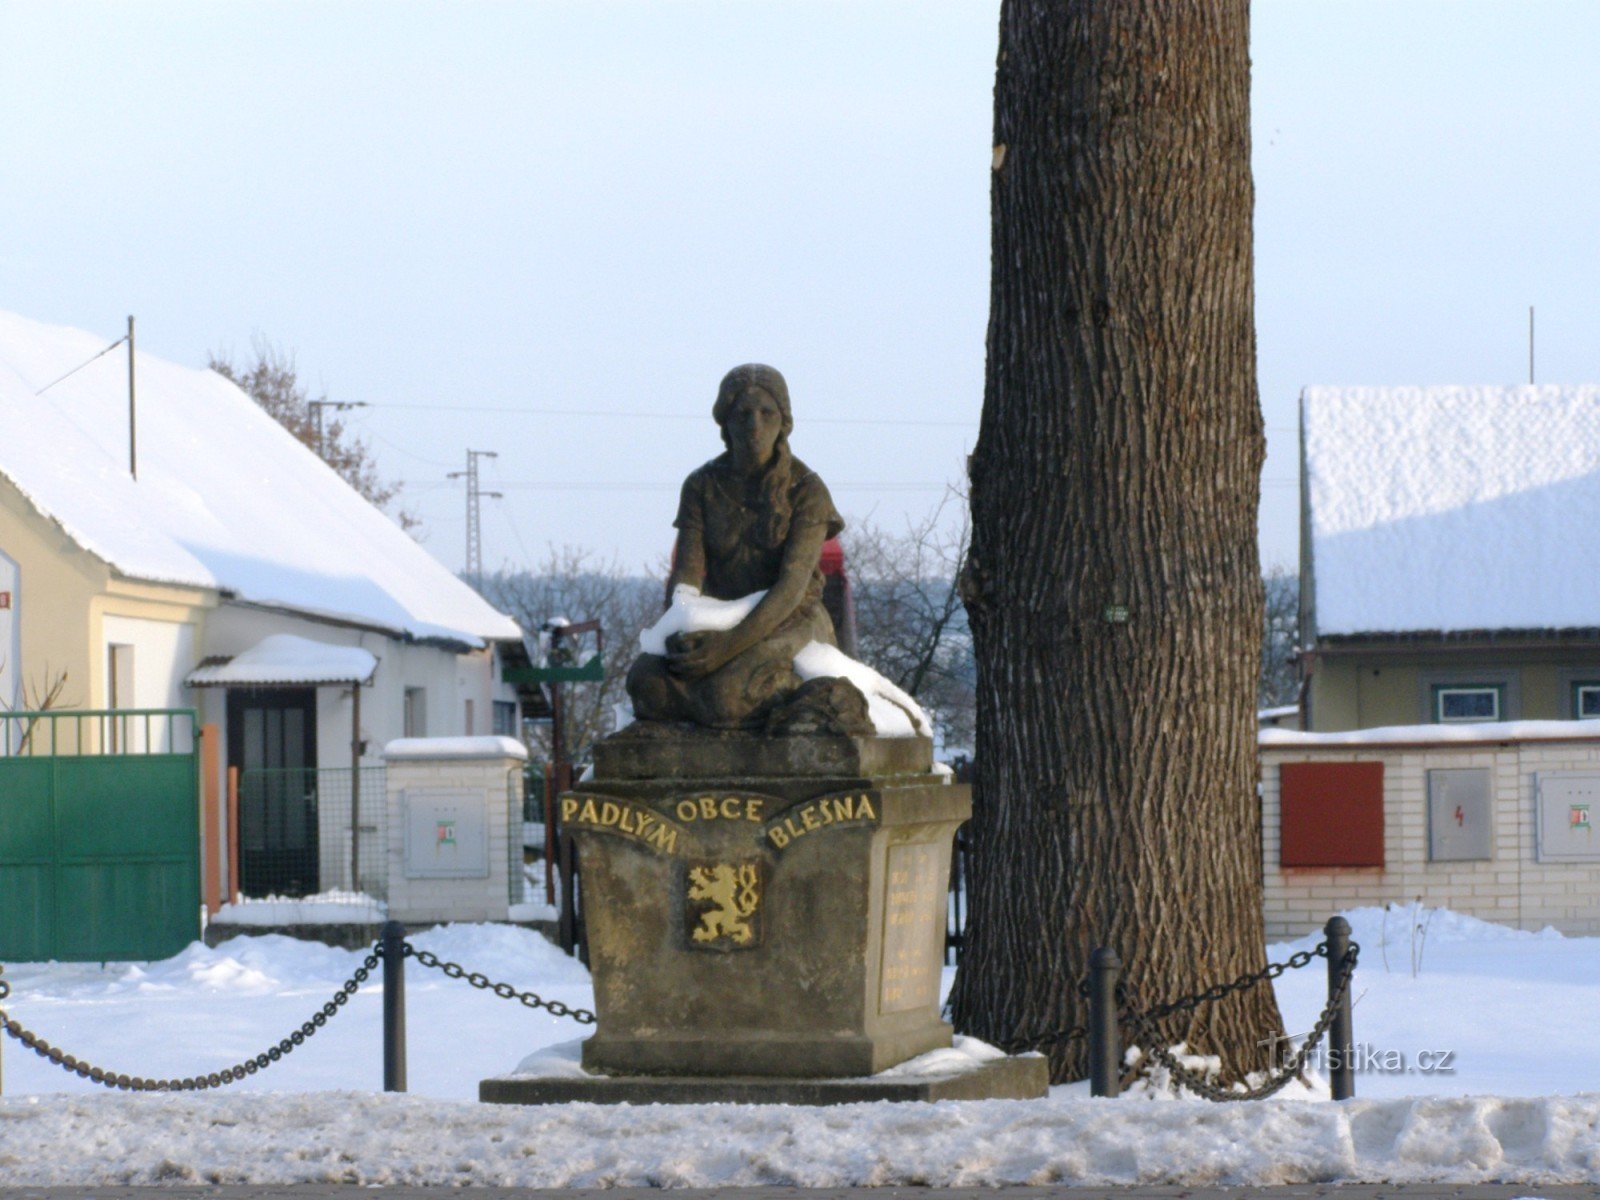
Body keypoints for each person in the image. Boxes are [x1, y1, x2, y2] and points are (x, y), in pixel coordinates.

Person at [626, 363, 844, 729]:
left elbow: (790, 589)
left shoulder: (806, 489)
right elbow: (687, 577)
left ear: (783, 421)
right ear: (725, 422)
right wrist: (681, 629)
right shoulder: (701, 486)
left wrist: (725, 649)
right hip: (719, 616)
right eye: (742, 413)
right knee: (645, 681)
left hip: (788, 619)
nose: (754, 425)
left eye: (766, 413)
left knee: (727, 697)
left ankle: (798, 696)